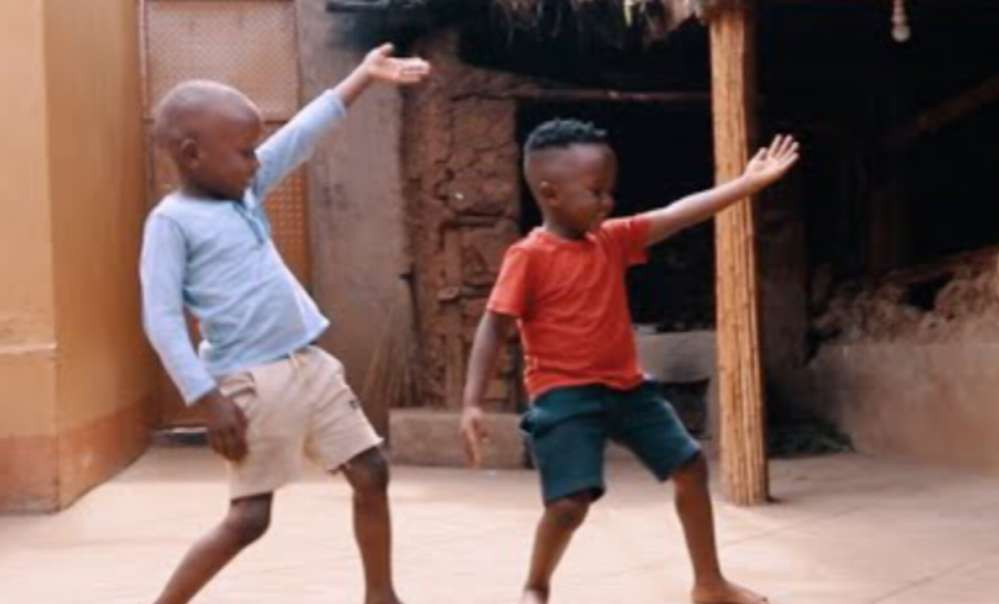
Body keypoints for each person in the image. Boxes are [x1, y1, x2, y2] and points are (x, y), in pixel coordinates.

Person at [459, 118, 798, 604]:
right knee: (569, 505)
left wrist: (746, 184)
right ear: (551, 194)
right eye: (596, 192)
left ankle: (709, 584)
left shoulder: (613, 240)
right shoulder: (528, 256)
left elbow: (678, 213)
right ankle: (536, 584)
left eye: (609, 191)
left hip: (627, 388)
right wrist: (473, 402)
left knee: (690, 466)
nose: (608, 202)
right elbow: (493, 325)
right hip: (564, 396)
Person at [140, 43, 429, 604]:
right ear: (193, 154)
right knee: (250, 519)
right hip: (248, 381)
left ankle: (382, 595)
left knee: (372, 472)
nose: (256, 161)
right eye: (245, 152)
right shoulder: (171, 222)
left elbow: (299, 136)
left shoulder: (241, 193)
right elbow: (160, 317)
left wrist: (362, 78)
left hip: (309, 364)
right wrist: (206, 399)